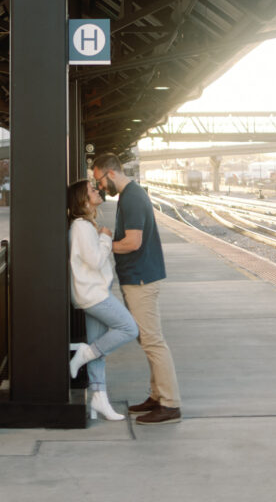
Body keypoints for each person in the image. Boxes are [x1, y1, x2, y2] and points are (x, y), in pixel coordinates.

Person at [91, 153, 182, 424]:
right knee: (147, 340)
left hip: (141, 278)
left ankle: (170, 404)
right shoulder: (130, 195)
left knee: (153, 341)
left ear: (110, 173)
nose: (99, 186)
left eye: (99, 180)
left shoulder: (131, 197)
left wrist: (103, 245)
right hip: (139, 277)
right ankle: (157, 396)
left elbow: (133, 242)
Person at [67, 178, 139, 421]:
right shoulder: (81, 226)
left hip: (94, 292)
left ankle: (99, 399)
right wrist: (106, 237)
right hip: (93, 295)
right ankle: (84, 354)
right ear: (82, 199)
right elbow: (96, 260)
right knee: (129, 328)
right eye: (90, 190)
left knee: (100, 348)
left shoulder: (86, 226)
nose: (96, 191)